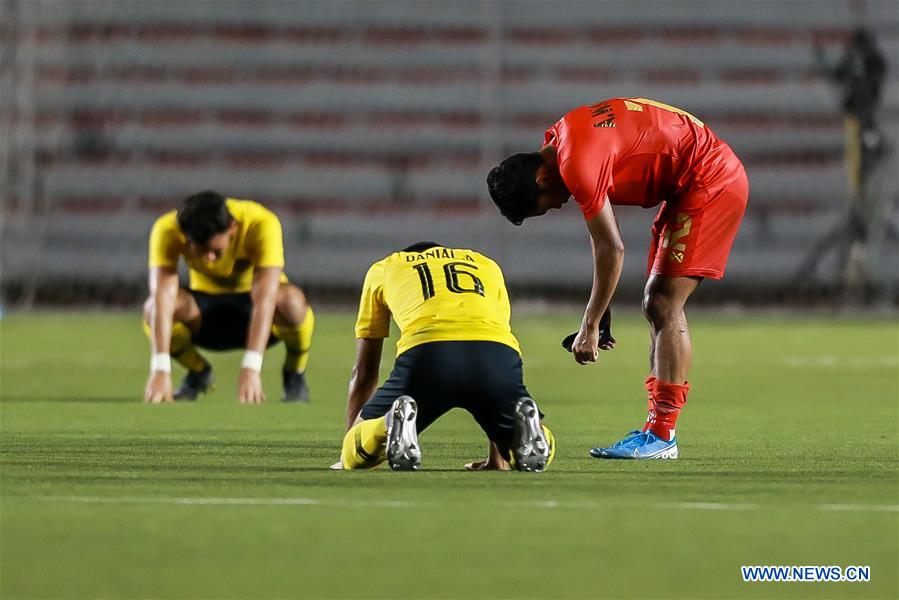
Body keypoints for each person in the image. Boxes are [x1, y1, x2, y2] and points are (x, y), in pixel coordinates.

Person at [487, 98, 748, 459]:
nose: (558, 207)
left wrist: (590, 325)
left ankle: (661, 436)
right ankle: (658, 433)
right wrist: (602, 300)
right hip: (689, 181)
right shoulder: (560, 138)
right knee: (658, 303)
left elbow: (612, 248)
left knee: (663, 303)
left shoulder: (574, 162)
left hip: (709, 178)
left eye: (546, 204)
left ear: (540, 178)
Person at [338, 242, 554, 472]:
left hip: (428, 354)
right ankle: (534, 434)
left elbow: (364, 373)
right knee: (520, 452)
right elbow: (500, 329)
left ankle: (389, 423)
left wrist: (349, 445)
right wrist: (496, 461)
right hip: (495, 355)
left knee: (356, 454)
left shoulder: (386, 267)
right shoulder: (487, 265)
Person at [143, 191, 314, 404]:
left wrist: (252, 366)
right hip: (203, 314)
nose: (209, 259)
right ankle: (198, 372)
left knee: (292, 302)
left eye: (215, 250)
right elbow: (162, 295)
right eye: (201, 250)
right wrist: (160, 368)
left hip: (256, 312)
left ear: (232, 227)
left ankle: (294, 374)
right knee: (152, 309)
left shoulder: (261, 222)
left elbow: (266, 298)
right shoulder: (167, 229)